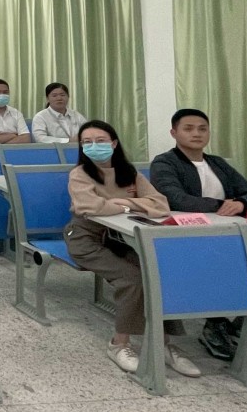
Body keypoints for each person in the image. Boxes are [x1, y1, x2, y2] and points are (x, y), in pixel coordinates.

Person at [64, 120, 201, 378]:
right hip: (86, 238)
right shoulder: (80, 174)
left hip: (121, 238)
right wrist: (134, 202)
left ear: (114, 143)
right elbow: (89, 207)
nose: (94, 146)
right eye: (87, 142)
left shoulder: (130, 172)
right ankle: (119, 344)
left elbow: (160, 204)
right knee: (132, 278)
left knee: (156, 273)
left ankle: (163, 343)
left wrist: (121, 203)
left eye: (100, 141)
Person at [150, 109, 247, 361]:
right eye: (188, 128)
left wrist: (241, 203)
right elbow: (175, 199)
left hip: (229, 233)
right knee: (219, 268)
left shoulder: (217, 163)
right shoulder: (164, 162)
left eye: (202, 129)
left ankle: (244, 326)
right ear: (174, 133)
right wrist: (223, 205)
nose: (197, 133)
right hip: (189, 237)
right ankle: (215, 325)